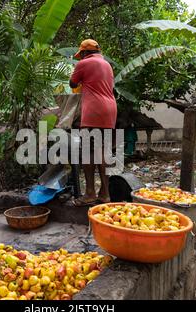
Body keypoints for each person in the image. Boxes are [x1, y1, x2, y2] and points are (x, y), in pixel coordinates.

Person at [69, 39, 117, 206]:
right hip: (110, 110)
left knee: (89, 152)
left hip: (93, 111)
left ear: (83, 53)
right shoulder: (107, 65)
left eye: (80, 54)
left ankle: (89, 193)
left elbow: (72, 84)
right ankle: (105, 194)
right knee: (103, 151)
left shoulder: (83, 63)